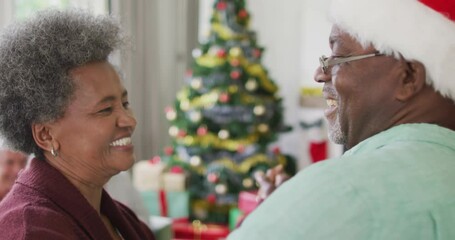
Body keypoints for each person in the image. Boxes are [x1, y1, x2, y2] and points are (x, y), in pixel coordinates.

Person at [229, 0, 455, 239]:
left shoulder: (339, 191)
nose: (320, 74)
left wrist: (286, 214)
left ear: (408, 77)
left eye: (338, 57)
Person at [0, 9, 155, 239]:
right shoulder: (31, 230)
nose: (129, 120)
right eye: (105, 109)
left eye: (125, 102)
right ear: (46, 135)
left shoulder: (119, 216)